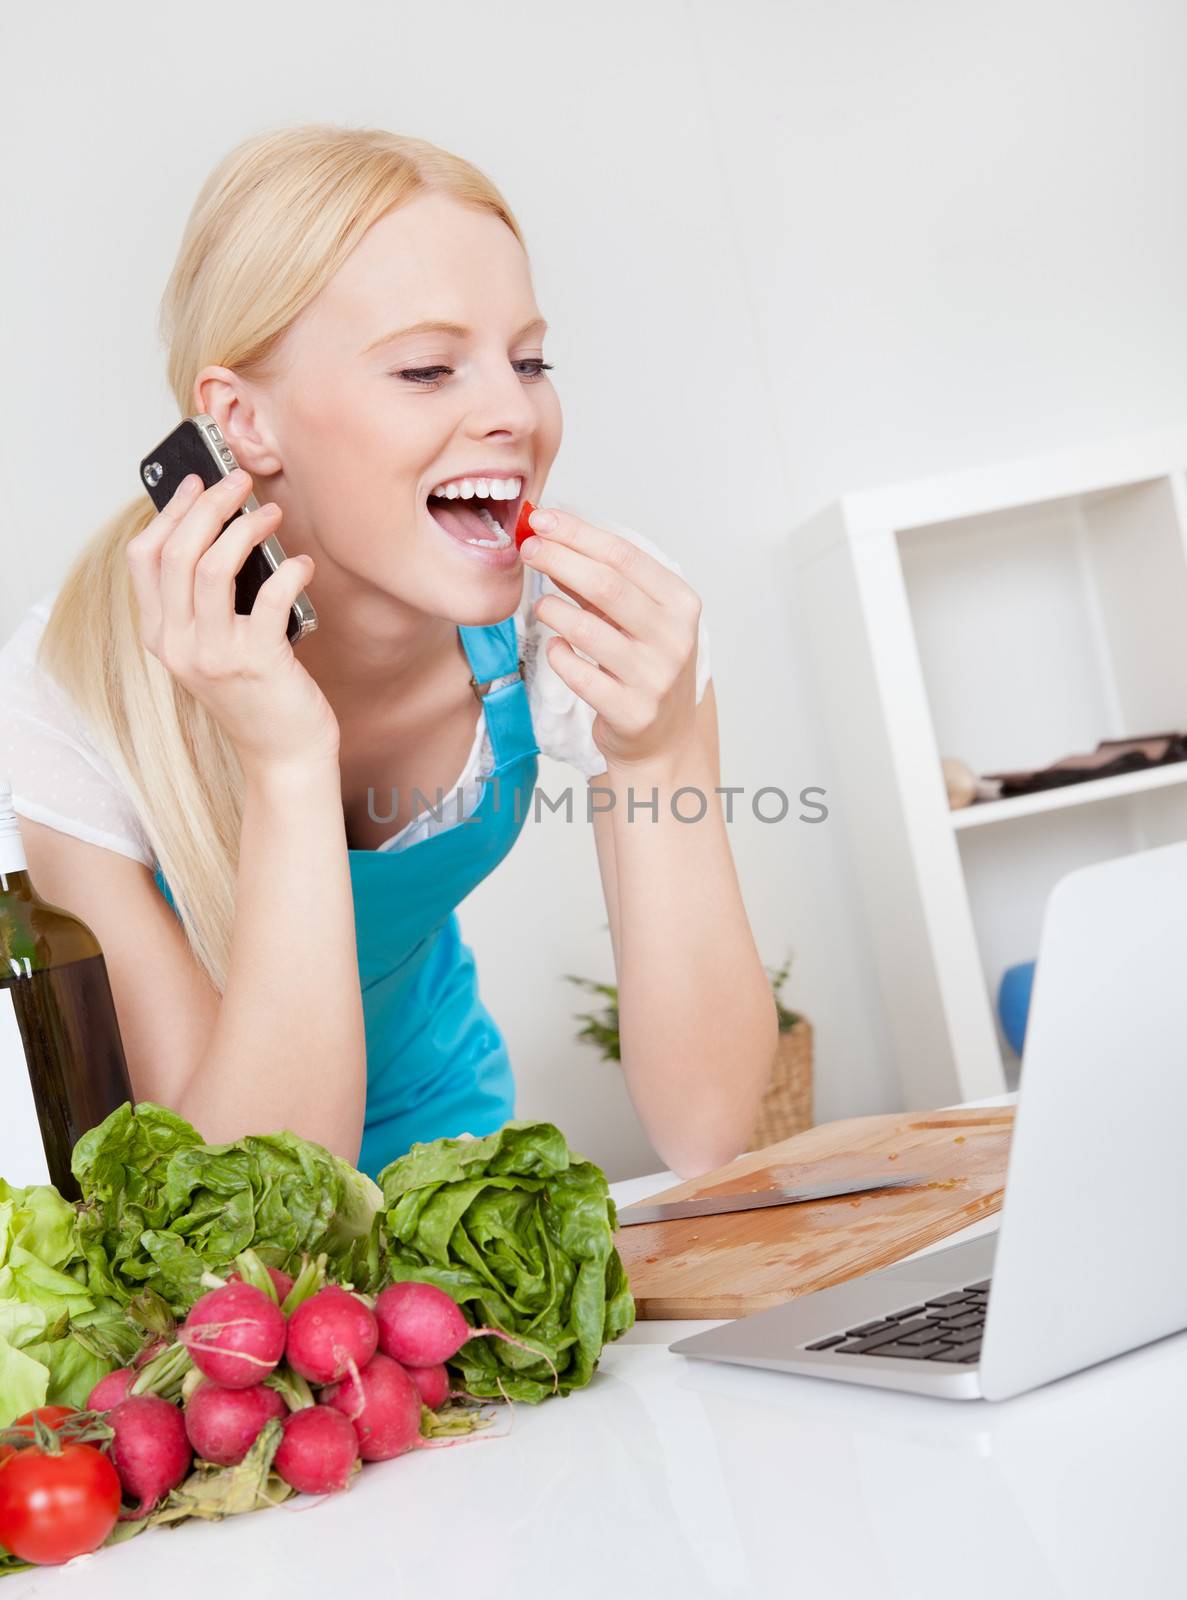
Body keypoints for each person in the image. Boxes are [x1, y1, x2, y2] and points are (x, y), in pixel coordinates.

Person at [0, 124, 776, 1180]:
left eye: (529, 360)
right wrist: (284, 765)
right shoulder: (75, 688)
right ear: (244, 422)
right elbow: (242, 1198)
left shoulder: (585, 625)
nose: (513, 412)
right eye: (425, 369)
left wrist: (659, 754)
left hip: (448, 1149)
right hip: (218, 1216)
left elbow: (709, 1127)